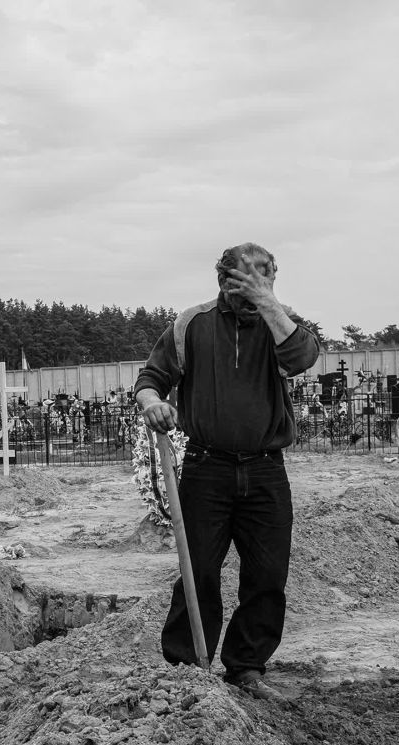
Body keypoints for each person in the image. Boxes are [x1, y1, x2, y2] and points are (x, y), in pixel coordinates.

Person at [133, 242, 320, 701]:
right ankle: (186, 667)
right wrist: (153, 403)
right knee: (198, 571)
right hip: (206, 468)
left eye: (266, 276)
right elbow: (150, 379)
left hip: (265, 470)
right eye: (246, 278)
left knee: (267, 573)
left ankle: (246, 667)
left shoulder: (282, 324)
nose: (256, 286)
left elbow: (302, 359)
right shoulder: (191, 325)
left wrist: (268, 301)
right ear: (222, 280)